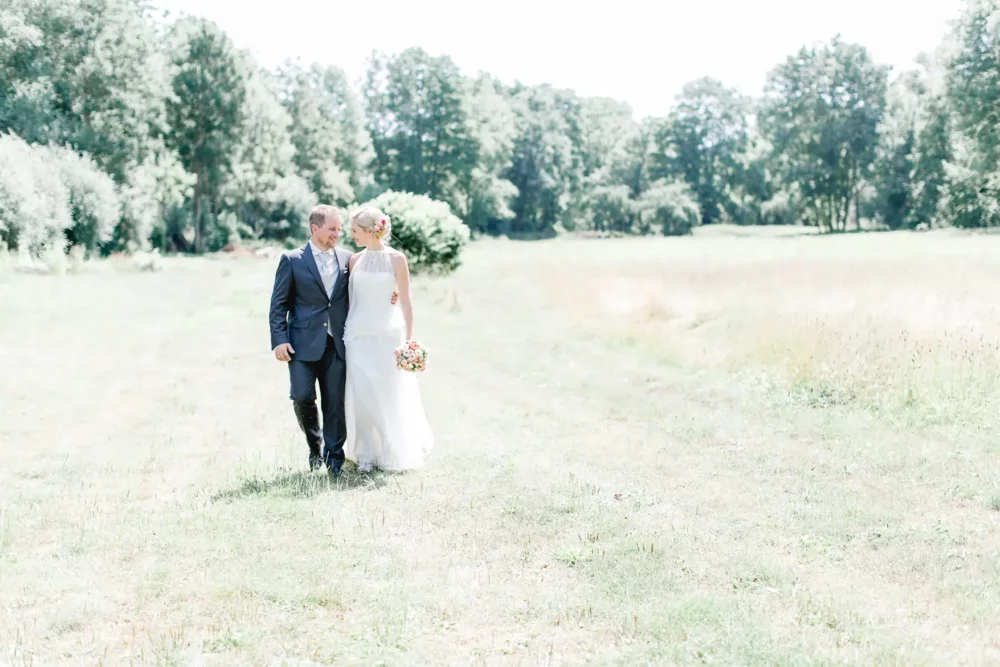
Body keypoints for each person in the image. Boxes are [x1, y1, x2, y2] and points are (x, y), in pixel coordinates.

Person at [268, 205, 395, 476]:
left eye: (340, 228)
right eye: (332, 229)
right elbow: (278, 304)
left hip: (339, 342)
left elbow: (364, 289)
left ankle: (334, 461)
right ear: (315, 228)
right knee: (301, 396)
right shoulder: (292, 260)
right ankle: (315, 446)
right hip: (301, 343)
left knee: (335, 403)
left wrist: (390, 296)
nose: (338, 233)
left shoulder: (349, 259)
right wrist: (279, 340)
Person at [343, 206, 433, 472]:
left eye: (355, 230)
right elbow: (349, 300)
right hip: (358, 335)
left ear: (371, 231)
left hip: (388, 336)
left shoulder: (397, 259)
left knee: (388, 391)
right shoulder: (354, 260)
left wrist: (409, 340)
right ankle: (365, 453)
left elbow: (405, 299)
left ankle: (392, 449)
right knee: (361, 394)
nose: (351, 235)